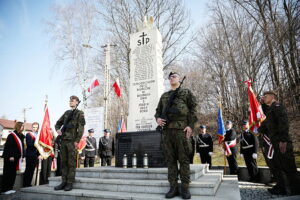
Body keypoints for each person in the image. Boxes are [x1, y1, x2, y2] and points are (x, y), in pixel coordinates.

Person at [155, 72, 198, 199]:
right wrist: (157, 119)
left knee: (184, 159)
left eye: (174, 76)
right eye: (170, 77)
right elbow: (157, 112)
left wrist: (190, 126)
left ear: (179, 79)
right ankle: (173, 188)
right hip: (167, 132)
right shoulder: (164, 96)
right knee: (170, 160)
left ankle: (185, 188)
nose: (171, 78)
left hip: (181, 130)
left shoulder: (186, 93)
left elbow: (194, 110)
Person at [258, 91, 300, 195]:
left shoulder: (277, 106)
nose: (263, 97)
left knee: (289, 168)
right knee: (279, 167)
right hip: (275, 143)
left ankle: (296, 191)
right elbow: (266, 124)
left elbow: (283, 122)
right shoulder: (270, 110)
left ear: (272, 97)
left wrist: (283, 140)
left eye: (265, 96)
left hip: (282, 142)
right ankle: (283, 189)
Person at [54, 95, 85, 191]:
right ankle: (63, 181)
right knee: (63, 162)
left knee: (71, 162)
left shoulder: (80, 113)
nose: (70, 102)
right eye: (70, 100)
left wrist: (77, 140)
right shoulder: (67, 113)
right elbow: (58, 123)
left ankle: (70, 182)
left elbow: (81, 128)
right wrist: (58, 129)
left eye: (72, 100)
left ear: (77, 102)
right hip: (63, 140)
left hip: (72, 141)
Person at [1, 121, 25, 195]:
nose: (23, 127)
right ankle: (5, 189)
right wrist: (11, 155)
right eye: (21, 126)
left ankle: (10, 188)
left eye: (23, 126)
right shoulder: (12, 135)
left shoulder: (21, 135)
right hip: (10, 157)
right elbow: (9, 146)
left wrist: (22, 156)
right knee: (8, 173)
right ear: (18, 126)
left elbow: (22, 147)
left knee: (13, 174)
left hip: (17, 157)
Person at [23, 122, 42, 187]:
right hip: (30, 154)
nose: (35, 128)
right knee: (28, 170)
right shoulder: (28, 134)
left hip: (35, 155)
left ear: (38, 128)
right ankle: (25, 184)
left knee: (32, 170)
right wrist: (38, 144)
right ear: (31, 127)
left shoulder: (38, 135)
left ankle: (29, 183)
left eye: (36, 127)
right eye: (33, 127)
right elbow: (30, 144)